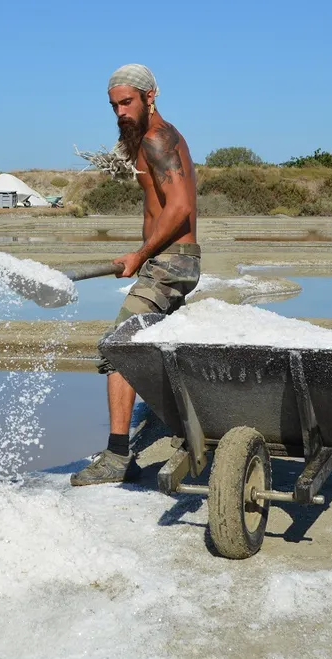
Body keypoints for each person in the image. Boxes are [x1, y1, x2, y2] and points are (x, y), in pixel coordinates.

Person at [71, 63, 201, 487]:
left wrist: (141, 253)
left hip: (170, 263)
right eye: (114, 106)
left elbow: (179, 208)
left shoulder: (158, 139)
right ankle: (184, 423)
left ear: (150, 97)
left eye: (127, 102)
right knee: (152, 345)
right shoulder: (149, 139)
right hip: (164, 262)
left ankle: (117, 456)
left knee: (118, 347)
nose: (120, 112)